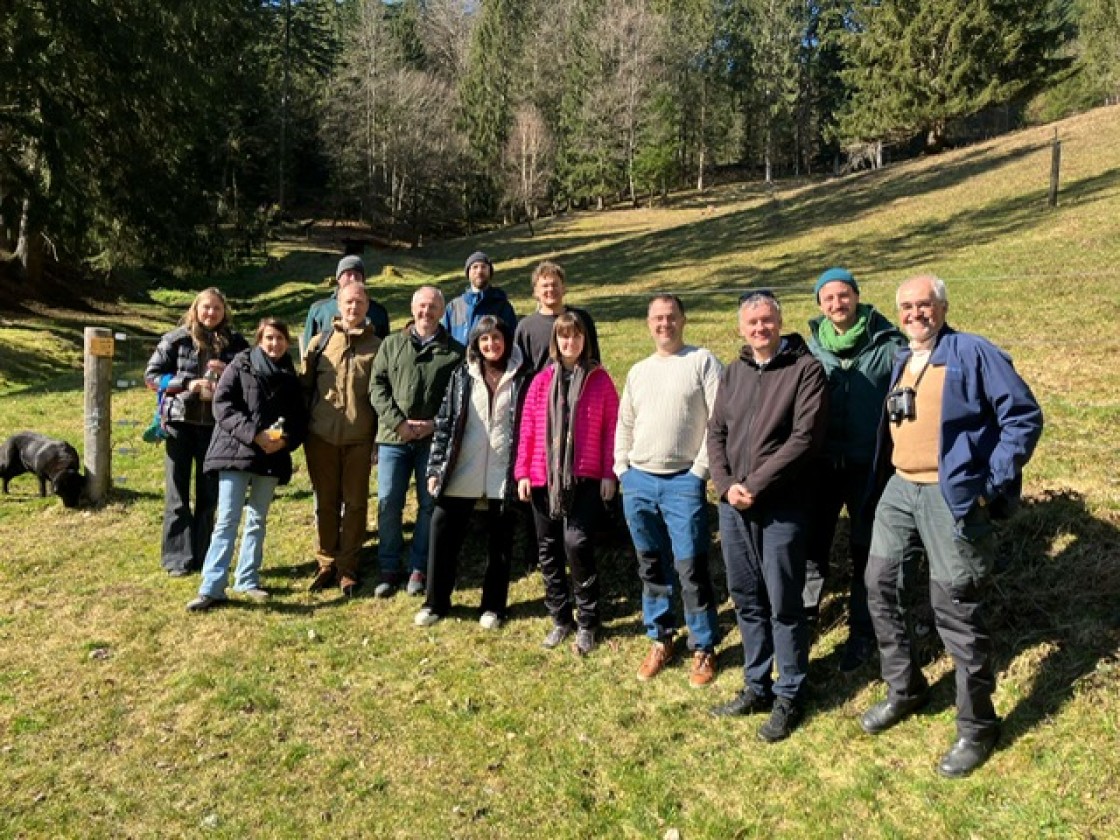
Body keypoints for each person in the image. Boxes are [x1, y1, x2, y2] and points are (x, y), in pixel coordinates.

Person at [858, 274, 1042, 778]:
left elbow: (1023, 415)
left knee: (956, 606)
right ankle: (906, 689)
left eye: (925, 304)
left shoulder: (971, 352)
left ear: (942, 306)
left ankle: (978, 727)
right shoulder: (902, 358)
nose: (916, 314)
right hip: (900, 489)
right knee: (879, 585)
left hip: (949, 494)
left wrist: (990, 482)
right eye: (907, 307)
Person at [707, 290, 828, 742]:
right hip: (734, 507)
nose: (760, 328)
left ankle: (789, 693)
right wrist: (725, 486)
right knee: (746, 597)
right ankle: (756, 685)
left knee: (784, 602)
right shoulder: (734, 372)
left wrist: (754, 486)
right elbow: (716, 432)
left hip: (781, 506)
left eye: (767, 321)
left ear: (779, 323)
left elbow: (803, 440)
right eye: (752, 322)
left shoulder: (805, 369)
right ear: (741, 328)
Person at [614, 294, 723, 688]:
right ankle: (661, 638)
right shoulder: (639, 371)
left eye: (671, 317)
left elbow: (719, 421)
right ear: (648, 323)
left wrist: (699, 472)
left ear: (683, 320)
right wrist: (622, 468)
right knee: (650, 565)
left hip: (683, 482)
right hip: (639, 480)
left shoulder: (702, 362)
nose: (665, 324)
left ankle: (703, 645)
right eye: (658, 318)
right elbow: (625, 422)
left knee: (690, 566)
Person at [804, 267, 906, 671]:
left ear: (857, 297)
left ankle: (862, 632)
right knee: (813, 545)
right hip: (823, 463)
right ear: (819, 305)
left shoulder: (888, 343)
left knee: (867, 547)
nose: (836, 304)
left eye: (843, 295)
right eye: (828, 298)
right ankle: (805, 620)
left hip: (870, 464)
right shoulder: (811, 348)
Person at [414, 316, 532, 630]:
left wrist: (524, 473)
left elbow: (530, 427)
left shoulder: (524, 377)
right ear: (476, 344)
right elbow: (445, 422)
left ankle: (493, 606)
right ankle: (435, 603)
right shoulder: (461, 375)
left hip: (502, 473)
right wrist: (436, 467)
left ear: (506, 340)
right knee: (442, 534)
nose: (491, 345)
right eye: (484, 340)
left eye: (496, 338)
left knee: (501, 543)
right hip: (461, 470)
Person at [187, 318, 309, 611]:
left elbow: (299, 418)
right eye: (269, 338)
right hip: (236, 453)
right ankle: (212, 587)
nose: (274, 344)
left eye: (280, 338)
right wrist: (254, 434)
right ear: (259, 339)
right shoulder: (240, 364)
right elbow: (223, 405)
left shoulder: (290, 375)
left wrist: (284, 440)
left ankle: (247, 579)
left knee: (257, 519)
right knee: (227, 519)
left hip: (271, 456)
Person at [516, 311, 619, 656]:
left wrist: (609, 473)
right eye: (563, 337)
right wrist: (523, 473)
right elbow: (528, 429)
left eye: (575, 336)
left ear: (584, 340)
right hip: (543, 478)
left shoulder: (599, 380)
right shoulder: (541, 380)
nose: (569, 342)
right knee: (548, 549)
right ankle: (560, 618)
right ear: (555, 341)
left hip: (585, 478)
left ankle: (588, 620)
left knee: (576, 543)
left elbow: (611, 430)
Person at [145, 288, 248, 576]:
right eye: (206, 307)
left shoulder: (236, 344)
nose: (211, 313)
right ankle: (177, 559)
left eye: (217, 308)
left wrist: (228, 370)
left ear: (224, 311)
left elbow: (252, 378)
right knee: (177, 494)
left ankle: (205, 556)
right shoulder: (175, 340)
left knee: (209, 495)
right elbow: (151, 377)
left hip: (217, 428)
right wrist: (186, 383)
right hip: (180, 423)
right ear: (195, 309)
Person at [370, 286, 464, 598]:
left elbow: (460, 398)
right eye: (422, 306)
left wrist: (434, 424)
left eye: (434, 307)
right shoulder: (391, 344)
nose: (427, 312)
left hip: (433, 440)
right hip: (393, 438)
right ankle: (388, 566)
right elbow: (377, 387)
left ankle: (420, 566)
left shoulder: (454, 351)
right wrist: (398, 422)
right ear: (413, 309)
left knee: (429, 503)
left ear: (442, 311)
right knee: (388, 502)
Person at [302, 282, 382, 596]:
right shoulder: (319, 344)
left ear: (367, 306)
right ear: (338, 304)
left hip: (360, 438)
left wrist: (377, 439)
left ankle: (348, 567)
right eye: (348, 302)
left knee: (356, 504)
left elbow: (380, 397)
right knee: (326, 502)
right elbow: (304, 388)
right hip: (320, 436)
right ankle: (326, 562)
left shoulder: (378, 347)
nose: (353, 308)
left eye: (359, 303)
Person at [514, 260, 600, 372]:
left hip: (580, 385)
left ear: (563, 288)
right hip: (542, 387)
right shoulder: (526, 328)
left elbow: (594, 359)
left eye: (555, 284)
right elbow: (519, 370)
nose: (550, 289)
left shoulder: (581, 319)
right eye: (545, 286)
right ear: (536, 292)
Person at [302, 255, 390, 354]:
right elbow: (308, 350)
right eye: (348, 274)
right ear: (338, 278)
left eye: (357, 275)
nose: (352, 278)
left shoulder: (378, 312)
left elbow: (386, 351)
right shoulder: (319, 310)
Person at [441, 251, 517, 345]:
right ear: (468, 273)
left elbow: (511, 341)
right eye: (475, 267)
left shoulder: (502, 306)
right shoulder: (453, 307)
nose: (479, 271)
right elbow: (442, 341)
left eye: (483, 267)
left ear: (490, 272)